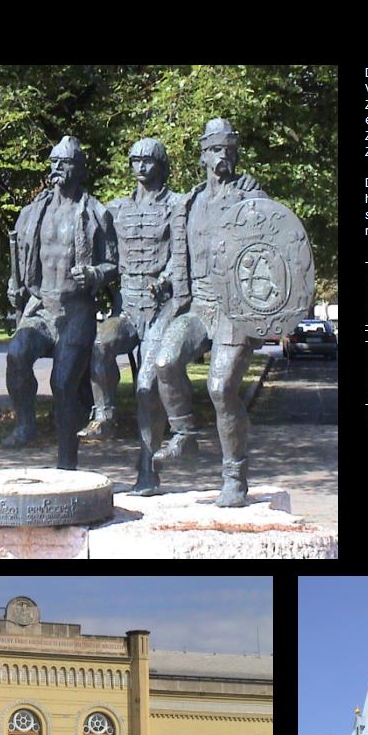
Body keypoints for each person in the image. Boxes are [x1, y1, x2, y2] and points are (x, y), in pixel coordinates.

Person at [158, 118, 266, 506]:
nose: (224, 155)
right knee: (165, 362)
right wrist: (166, 280)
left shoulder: (249, 195)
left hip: (235, 309)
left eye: (230, 149)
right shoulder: (189, 202)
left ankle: (234, 475)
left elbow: (274, 245)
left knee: (221, 388)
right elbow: (179, 257)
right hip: (198, 305)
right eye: (216, 149)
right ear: (203, 154)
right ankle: (184, 435)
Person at [3, 136, 117, 469]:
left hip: (76, 309)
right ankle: (26, 423)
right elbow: (19, 253)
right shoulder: (33, 213)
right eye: (53, 162)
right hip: (41, 307)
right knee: (16, 353)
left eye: (64, 163)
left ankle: (67, 462)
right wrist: (16, 285)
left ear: (79, 169)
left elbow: (113, 264)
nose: (56, 169)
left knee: (63, 383)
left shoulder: (97, 213)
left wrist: (95, 273)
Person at [80, 138, 183, 494]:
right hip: (127, 307)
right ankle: (105, 414)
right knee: (100, 342)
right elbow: (108, 261)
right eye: (135, 160)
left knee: (145, 387)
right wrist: (93, 274)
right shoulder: (116, 210)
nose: (140, 167)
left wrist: (166, 279)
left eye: (148, 161)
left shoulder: (177, 206)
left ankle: (147, 469)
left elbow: (182, 255)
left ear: (161, 164)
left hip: (160, 310)